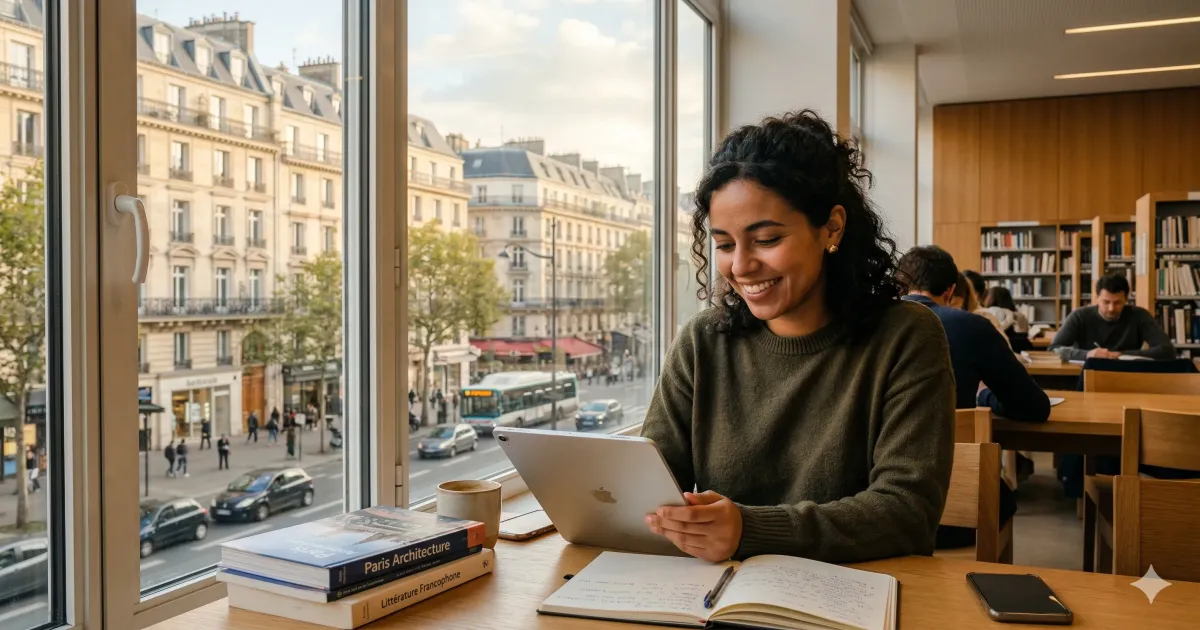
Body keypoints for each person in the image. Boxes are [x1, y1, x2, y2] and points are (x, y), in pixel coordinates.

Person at [640, 110, 955, 565]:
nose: (741, 266)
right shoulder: (701, 341)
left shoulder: (906, 337)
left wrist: (750, 530)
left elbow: (908, 512)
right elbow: (652, 486)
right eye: (725, 244)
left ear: (832, 228)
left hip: (852, 596)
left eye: (765, 239)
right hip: (713, 597)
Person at [898, 246, 1051, 548]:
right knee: (1000, 497)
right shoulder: (968, 326)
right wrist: (985, 401)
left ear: (898, 284)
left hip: (871, 508)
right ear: (951, 290)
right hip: (952, 506)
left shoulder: (861, 324)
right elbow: (1033, 407)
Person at [1049, 274, 1175, 361]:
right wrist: (1087, 354)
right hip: (1086, 372)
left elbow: (1167, 350)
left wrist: (1120, 355)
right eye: (1106, 302)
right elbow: (1054, 349)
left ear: (1126, 299)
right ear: (1096, 298)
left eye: (1118, 303)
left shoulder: (1139, 315)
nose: (1111, 308)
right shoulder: (1079, 316)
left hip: (1128, 375)